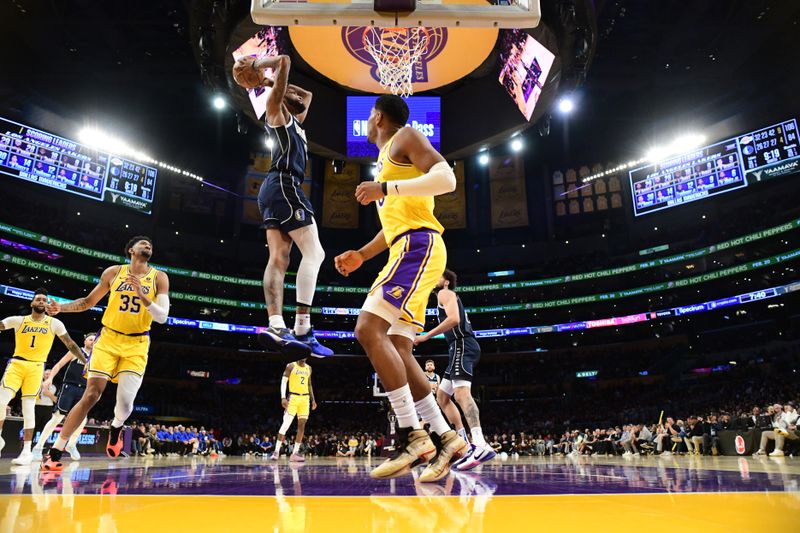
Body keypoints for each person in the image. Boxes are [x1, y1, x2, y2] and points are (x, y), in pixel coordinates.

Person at [333, 94, 467, 482]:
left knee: (367, 329)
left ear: (376, 117)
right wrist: (362, 253)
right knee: (398, 346)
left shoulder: (404, 137)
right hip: (407, 247)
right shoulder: (387, 162)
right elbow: (395, 223)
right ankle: (444, 436)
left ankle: (413, 434)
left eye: (370, 116)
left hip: (418, 246)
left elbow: (447, 178)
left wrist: (384, 189)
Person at [41, 236, 170, 471]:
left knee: (125, 403)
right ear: (131, 250)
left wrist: (142, 295)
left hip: (137, 344)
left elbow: (162, 317)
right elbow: (88, 302)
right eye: (143, 243)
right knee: (91, 395)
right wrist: (62, 307)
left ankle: (116, 425)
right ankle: (55, 452)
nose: (148, 245)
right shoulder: (113, 272)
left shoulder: (159, 277)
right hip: (108, 339)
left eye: (151, 244)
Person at [232, 54, 331, 360]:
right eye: (288, 93)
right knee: (315, 252)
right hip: (284, 185)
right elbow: (285, 61)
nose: (295, 97)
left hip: (274, 189)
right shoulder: (276, 113)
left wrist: (277, 83)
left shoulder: (297, 123)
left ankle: (276, 324)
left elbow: (308, 96)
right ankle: (303, 328)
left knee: (280, 257)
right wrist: (266, 73)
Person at [416, 269, 495, 471]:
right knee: (442, 397)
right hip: (457, 347)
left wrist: (425, 336)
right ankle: (464, 444)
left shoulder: (445, 293)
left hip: (462, 344)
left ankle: (480, 444)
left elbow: (454, 319)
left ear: (446, 282)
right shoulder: (440, 297)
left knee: (461, 395)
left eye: (439, 276)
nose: (434, 278)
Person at [0, 288, 86, 465]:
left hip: (37, 367)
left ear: (47, 304)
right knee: (1, 401)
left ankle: (26, 452)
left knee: (28, 407)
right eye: (38, 299)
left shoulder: (55, 323)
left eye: (44, 300)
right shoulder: (18, 320)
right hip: (16, 364)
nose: (41, 301)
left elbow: (71, 344)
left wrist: (86, 361)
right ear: (32, 303)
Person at [32, 332, 97, 461]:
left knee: (82, 420)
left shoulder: (97, 357)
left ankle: (71, 444)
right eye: (90, 339)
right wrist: (50, 378)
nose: (92, 342)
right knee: (57, 418)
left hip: (84, 390)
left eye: (95, 340)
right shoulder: (76, 351)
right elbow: (59, 365)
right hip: (69, 387)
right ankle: (38, 447)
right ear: (85, 341)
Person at [271, 359, 317, 462]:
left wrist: (313, 399)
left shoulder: (309, 368)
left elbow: (309, 384)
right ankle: (276, 451)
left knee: (302, 425)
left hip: (305, 399)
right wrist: (283, 397)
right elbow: (283, 382)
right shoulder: (291, 366)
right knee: (286, 424)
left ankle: (295, 453)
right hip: (293, 398)